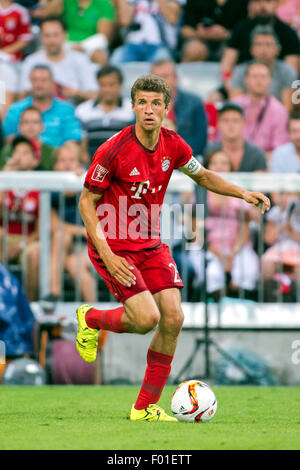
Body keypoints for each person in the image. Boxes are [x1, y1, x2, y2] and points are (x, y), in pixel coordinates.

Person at [75, 74, 270, 421]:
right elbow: (87, 202)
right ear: (133, 106)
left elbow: (204, 175)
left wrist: (242, 193)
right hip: (114, 246)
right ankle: (90, 318)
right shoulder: (113, 149)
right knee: (146, 318)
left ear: (166, 108)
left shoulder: (173, 144)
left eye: (156, 103)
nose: (149, 110)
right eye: (142, 103)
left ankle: (144, 408)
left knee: (174, 318)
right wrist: (106, 252)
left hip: (150, 243)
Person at [0, 135, 43, 300]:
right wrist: (4, 175)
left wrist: (20, 245)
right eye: (16, 152)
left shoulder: (41, 186)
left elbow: (41, 229)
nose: (19, 156)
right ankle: (3, 300)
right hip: (5, 235)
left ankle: (31, 304)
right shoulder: (4, 182)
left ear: (34, 161)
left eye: (25, 153)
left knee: (35, 253)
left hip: (28, 239)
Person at [19, 16, 99, 102]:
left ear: (65, 35)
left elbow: (95, 95)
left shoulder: (80, 59)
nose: (52, 40)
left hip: (74, 111)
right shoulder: (31, 61)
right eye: (47, 35)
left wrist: (77, 93)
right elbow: (22, 95)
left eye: (55, 35)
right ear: (41, 38)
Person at [221, 0, 300, 86]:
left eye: (267, 1)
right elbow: (227, 62)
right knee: (215, 97)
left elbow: (291, 70)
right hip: (243, 81)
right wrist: (227, 81)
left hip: (277, 84)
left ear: (276, 4)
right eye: (258, 1)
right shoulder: (240, 28)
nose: (262, 6)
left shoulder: (288, 33)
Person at [3, 65, 83, 147]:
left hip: (57, 157)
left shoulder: (66, 110)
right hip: (24, 157)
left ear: (52, 83)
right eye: (35, 80)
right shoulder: (15, 109)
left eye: (44, 80)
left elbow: (72, 142)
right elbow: (8, 141)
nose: (39, 84)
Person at [230, 25, 298, 112]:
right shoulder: (239, 71)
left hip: (277, 118)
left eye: (268, 44)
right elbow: (235, 107)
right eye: (259, 44)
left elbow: (287, 108)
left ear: (278, 49)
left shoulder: (288, 71)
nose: (263, 49)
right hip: (245, 118)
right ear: (251, 50)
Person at [75, 65, 135, 160]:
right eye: (103, 85)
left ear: (120, 86)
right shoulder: (83, 110)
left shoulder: (132, 110)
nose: (107, 89)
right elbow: (79, 142)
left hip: (122, 165)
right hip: (91, 166)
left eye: (111, 85)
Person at [150, 59, 207, 156]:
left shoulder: (194, 103)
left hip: (187, 159)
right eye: (155, 78)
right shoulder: (143, 104)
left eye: (164, 76)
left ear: (175, 79)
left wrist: (174, 152)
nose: (159, 82)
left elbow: (200, 140)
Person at [232, 61, 289, 158]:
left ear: (270, 80)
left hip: (265, 164)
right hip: (233, 160)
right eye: (254, 76)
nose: (259, 81)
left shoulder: (279, 111)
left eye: (263, 77)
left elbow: (279, 150)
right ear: (246, 80)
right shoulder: (234, 105)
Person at [33, 0, 116, 66]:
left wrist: (81, 47)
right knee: (38, 54)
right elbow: (47, 17)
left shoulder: (104, 3)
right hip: (64, 43)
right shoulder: (66, 1)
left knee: (100, 56)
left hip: (88, 45)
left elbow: (103, 37)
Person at [110, 0, 184, 63]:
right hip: (133, 45)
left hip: (160, 45)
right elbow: (125, 21)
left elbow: (172, 19)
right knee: (116, 60)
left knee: (163, 68)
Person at [206, 102, 267, 172]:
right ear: (218, 123)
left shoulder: (256, 154)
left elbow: (260, 180)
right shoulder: (210, 152)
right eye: (226, 121)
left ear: (243, 123)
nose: (230, 125)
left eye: (235, 121)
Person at [180, 0, 249, 62]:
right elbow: (185, 30)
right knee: (194, 49)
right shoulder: (196, 1)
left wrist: (226, 34)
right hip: (200, 39)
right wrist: (201, 34)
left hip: (230, 41)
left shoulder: (242, 2)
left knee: (231, 53)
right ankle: (183, 76)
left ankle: (227, 76)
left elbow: (246, 29)